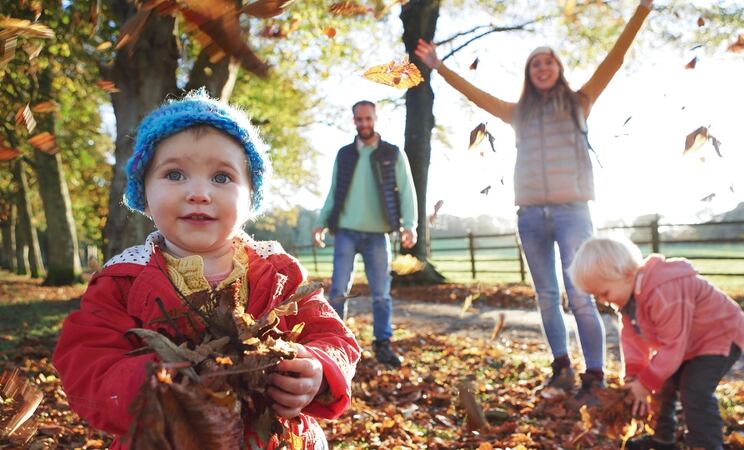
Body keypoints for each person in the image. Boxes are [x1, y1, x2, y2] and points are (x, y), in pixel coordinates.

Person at [53, 91, 361, 449]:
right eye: (175, 174)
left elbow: (333, 336)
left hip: (271, 438)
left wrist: (317, 371)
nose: (199, 192)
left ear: (250, 197)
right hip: (167, 437)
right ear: (145, 193)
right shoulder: (123, 279)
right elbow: (87, 362)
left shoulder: (277, 272)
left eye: (221, 178)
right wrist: (151, 385)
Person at [414, 0, 654, 401]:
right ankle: (561, 367)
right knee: (545, 296)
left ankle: (594, 377)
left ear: (558, 69)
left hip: (572, 213)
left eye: (549, 62)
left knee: (580, 294)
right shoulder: (517, 112)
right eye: (535, 64)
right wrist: (439, 67)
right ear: (529, 74)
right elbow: (476, 95)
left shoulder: (580, 102)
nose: (543, 68)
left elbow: (615, 59)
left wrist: (642, 10)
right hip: (529, 217)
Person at [569, 237, 744, 450]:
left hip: (719, 335)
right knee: (663, 383)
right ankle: (663, 438)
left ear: (626, 274)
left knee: (694, 390)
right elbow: (633, 341)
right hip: (687, 342)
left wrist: (645, 384)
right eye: (596, 296)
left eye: (604, 293)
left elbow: (673, 345)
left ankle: (706, 444)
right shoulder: (628, 302)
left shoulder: (664, 290)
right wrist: (635, 377)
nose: (602, 301)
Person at [313, 100, 418, 368]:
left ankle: (383, 344)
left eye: (368, 119)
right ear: (354, 121)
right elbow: (334, 190)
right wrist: (321, 222)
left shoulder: (392, 153)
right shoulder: (345, 154)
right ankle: (334, 343)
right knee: (338, 290)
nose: (364, 124)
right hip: (346, 231)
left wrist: (410, 225)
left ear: (375, 118)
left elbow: (407, 190)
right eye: (359, 119)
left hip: (378, 234)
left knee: (381, 293)